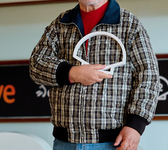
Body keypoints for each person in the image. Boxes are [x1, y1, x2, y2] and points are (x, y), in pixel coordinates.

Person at [29, 0, 160, 149]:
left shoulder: (130, 24)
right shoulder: (60, 24)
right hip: (64, 143)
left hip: (113, 142)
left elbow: (149, 77)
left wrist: (135, 125)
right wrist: (72, 73)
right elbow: (36, 65)